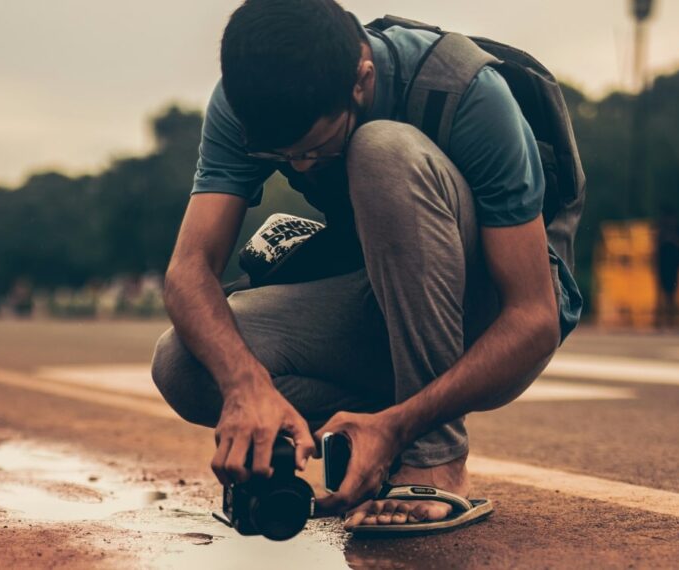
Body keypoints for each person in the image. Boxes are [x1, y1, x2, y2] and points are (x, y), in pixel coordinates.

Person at [151, 0, 582, 533]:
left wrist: (406, 427)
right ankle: (374, 430)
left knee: (380, 150)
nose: (301, 167)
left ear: (362, 81)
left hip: (490, 314)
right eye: (281, 157)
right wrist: (247, 387)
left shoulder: (467, 93)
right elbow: (188, 270)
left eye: (315, 149)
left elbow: (534, 318)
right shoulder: (244, 106)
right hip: (385, 301)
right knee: (182, 363)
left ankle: (434, 457)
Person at [654, 207, 679, 331]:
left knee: (673, 294)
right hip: (662, 264)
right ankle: (660, 321)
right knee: (661, 294)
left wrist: (673, 239)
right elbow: (656, 247)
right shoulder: (661, 230)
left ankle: (672, 321)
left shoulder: (678, 230)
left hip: (674, 265)